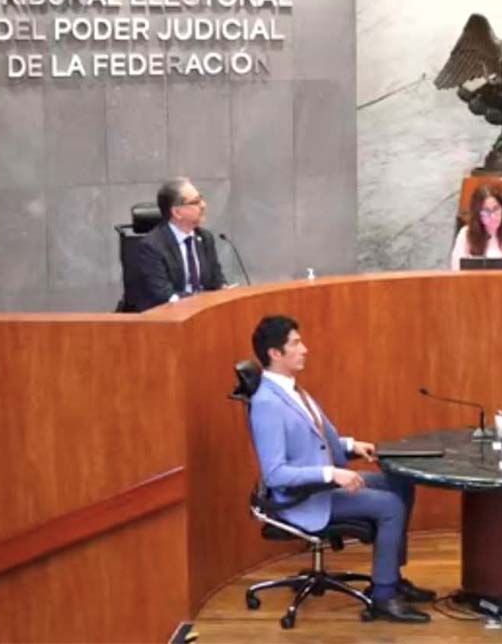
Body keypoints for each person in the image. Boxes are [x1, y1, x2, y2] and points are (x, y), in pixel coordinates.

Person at [248, 315, 435, 623]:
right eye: (296, 343)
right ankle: (383, 596)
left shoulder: (291, 389)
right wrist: (331, 474)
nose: (305, 349)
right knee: (389, 505)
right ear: (275, 353)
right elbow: (276, 474)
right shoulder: (267, 403)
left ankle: (392, 576)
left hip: (321, 485)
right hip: (304, 498)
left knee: (401, 483)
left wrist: (350, 445)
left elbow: (316, 435)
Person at [133, 178, 227, 311]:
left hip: (203, 313)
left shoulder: (205, 238)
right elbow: (163, 294)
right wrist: (200, 301)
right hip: (169, 316)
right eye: (196, 202)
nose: (203, 205)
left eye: (201, 199)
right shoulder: (152, 246)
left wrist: (224, 290)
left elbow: (216, 280)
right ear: (177, 212)